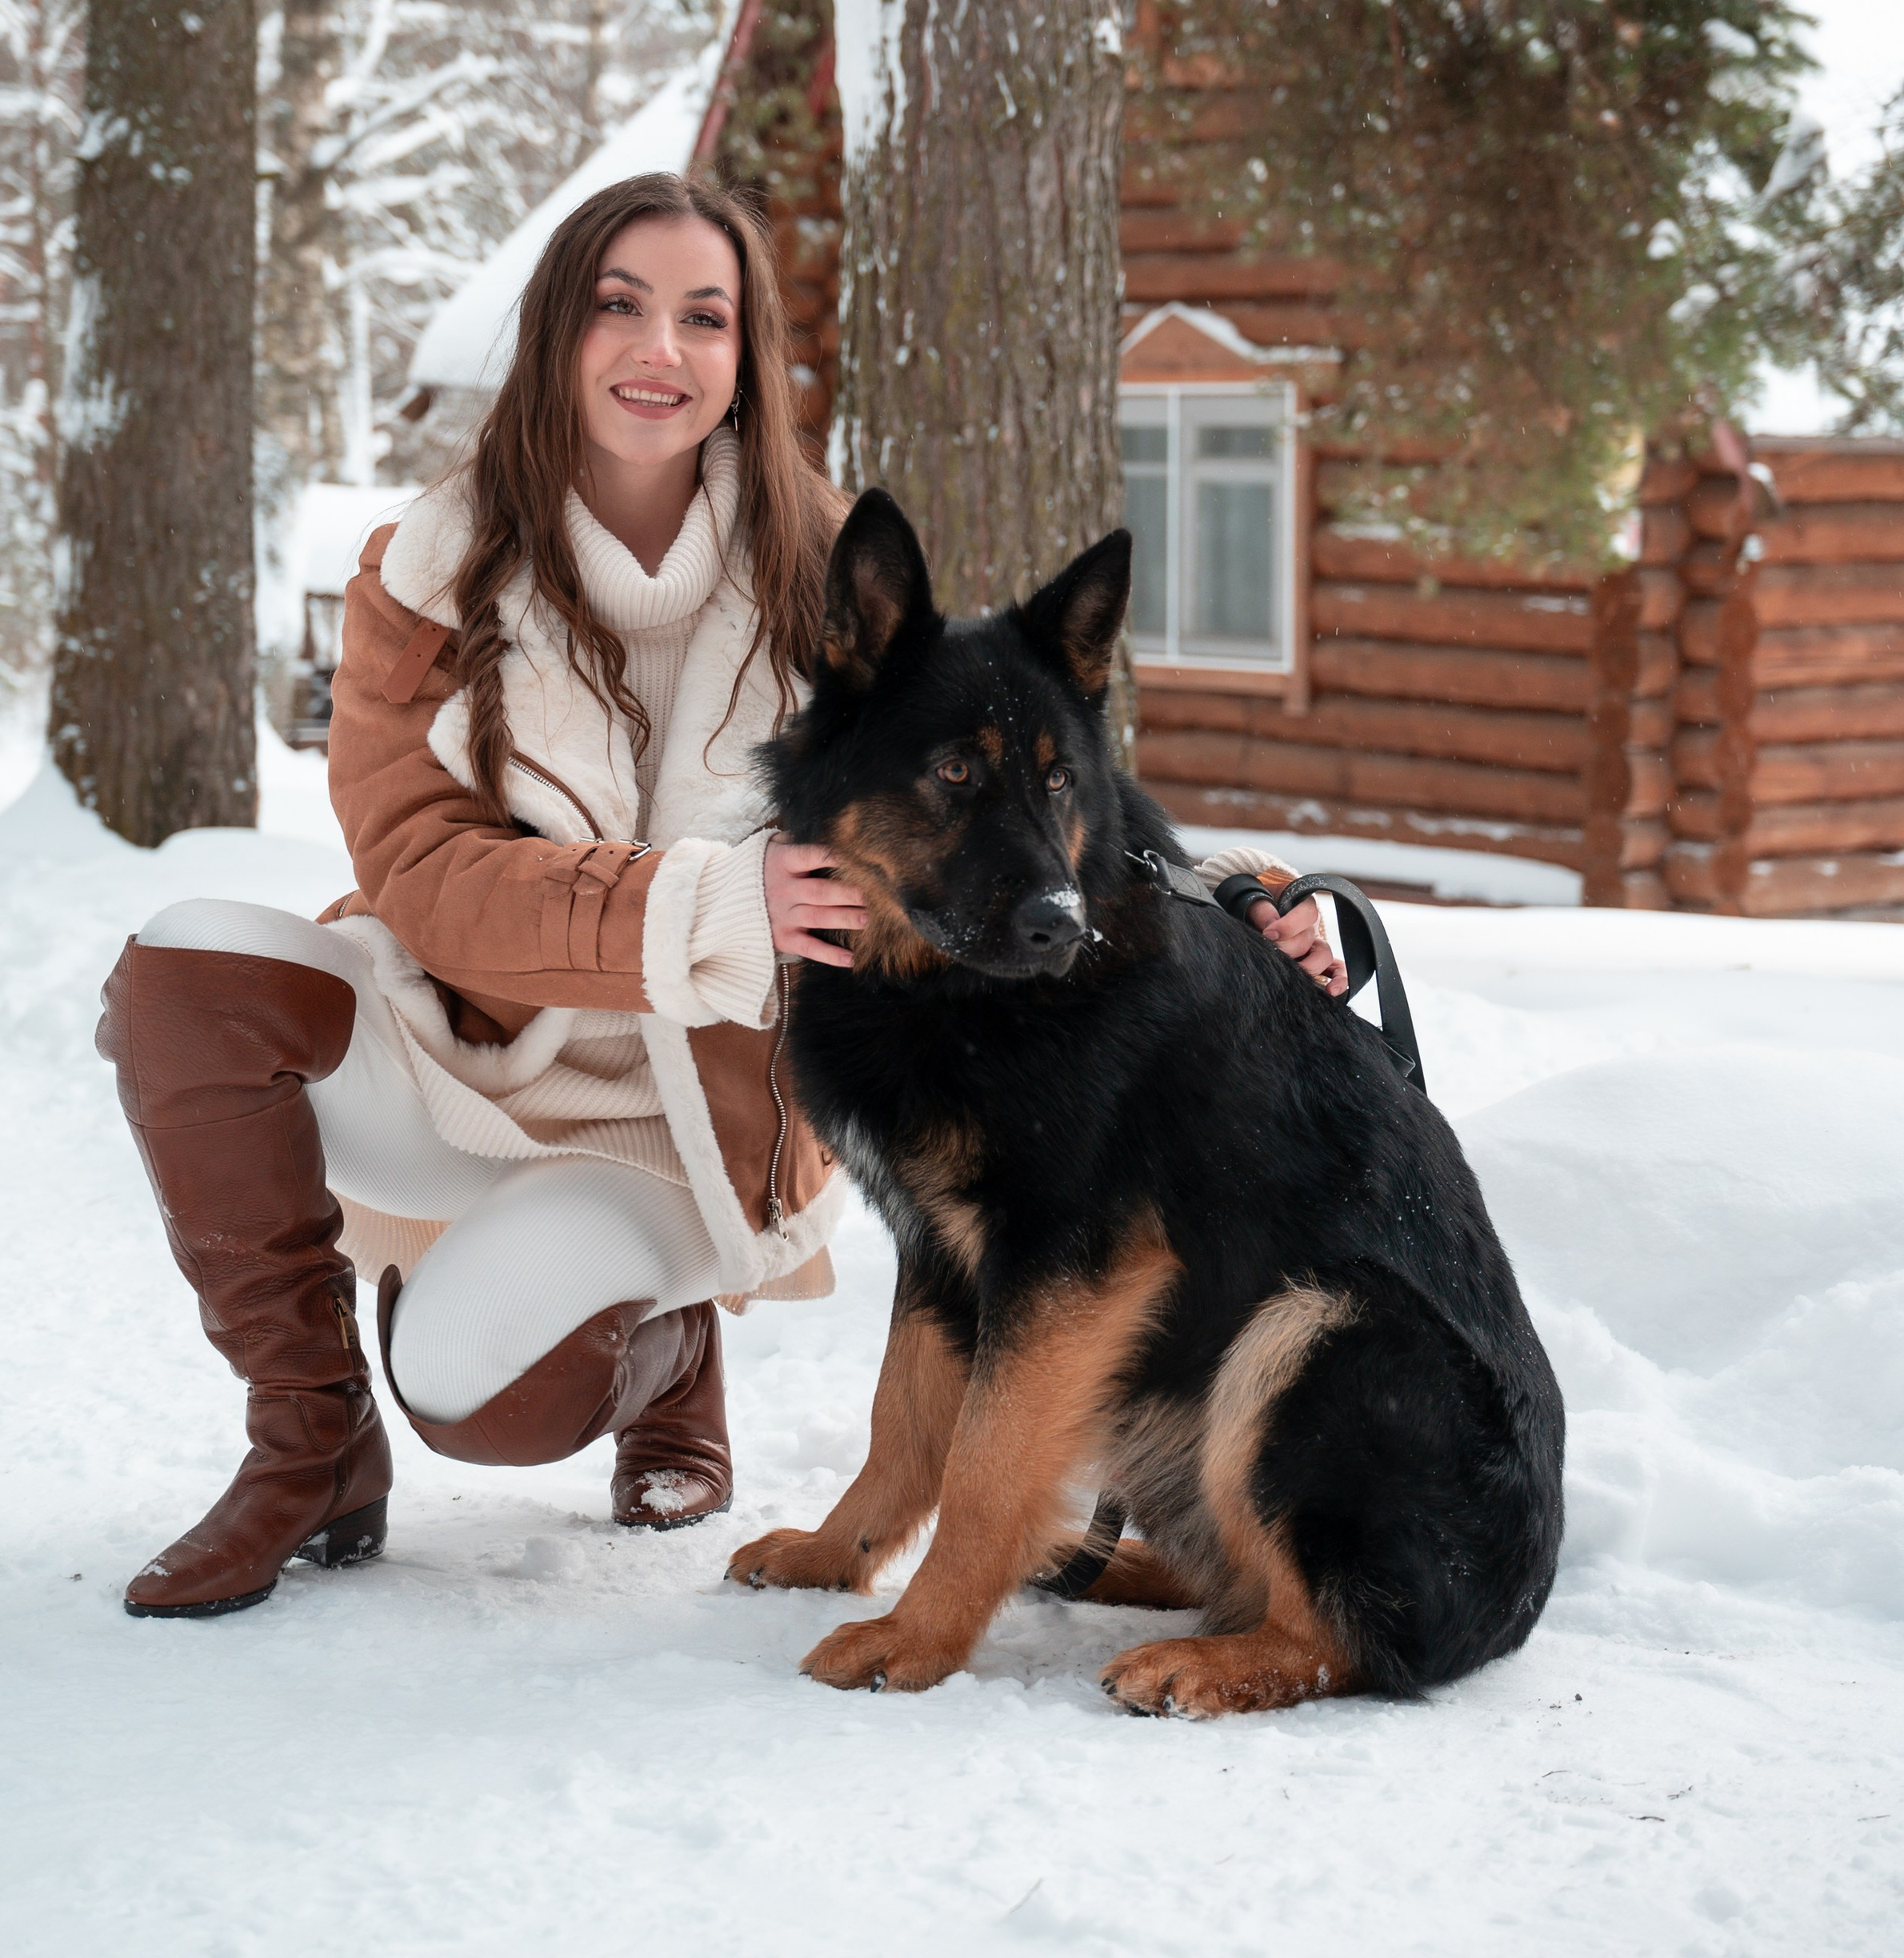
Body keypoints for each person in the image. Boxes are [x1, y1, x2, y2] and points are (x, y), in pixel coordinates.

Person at [97, 169, 1342, 1620]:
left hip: (686, 1120)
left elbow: (1007, 753)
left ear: (747, 361)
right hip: (471, 1044)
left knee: (477, 1395)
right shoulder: (428, 569)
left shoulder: (823, 568)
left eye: (707, 316)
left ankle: (665, 1350)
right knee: (184, 967)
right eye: (620, 306)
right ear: (558, 330)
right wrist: (708, 903)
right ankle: (306, 1443)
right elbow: (417, 872)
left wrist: (1237, 893)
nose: (660, 350)